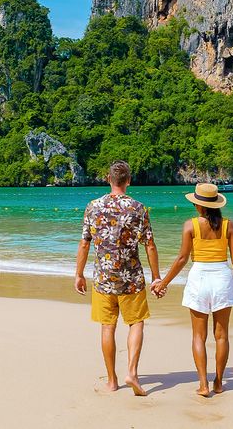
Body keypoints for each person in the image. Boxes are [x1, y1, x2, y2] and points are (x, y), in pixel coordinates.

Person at [151, 182, 233, 397]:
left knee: (198, 336)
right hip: (223, 278)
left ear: (198, 206)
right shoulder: (228, 226)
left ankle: (203, 384)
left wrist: (163, 283)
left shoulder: (190, 226)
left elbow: (182, 259)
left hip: (199, 278)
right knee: (221, 336)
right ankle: (219, 382)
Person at [73, 160, 161, 396]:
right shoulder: (138, 208)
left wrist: (79, 274)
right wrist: (156, 276)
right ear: (129, 181)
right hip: (131, 278)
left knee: (107, 327)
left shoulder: (92, 207)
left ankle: (112, 380)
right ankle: (131, 372)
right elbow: (149, 245)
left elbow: (84, 243)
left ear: (108, 179)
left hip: (103, 278)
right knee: (136, 323)